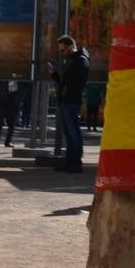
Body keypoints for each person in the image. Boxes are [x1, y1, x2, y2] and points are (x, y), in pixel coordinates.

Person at [49, 35, 90, 172]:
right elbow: (65, 82)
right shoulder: (72, 60)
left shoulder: (80, 61)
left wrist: (66, 89)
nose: (62, 54)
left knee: (73, 132)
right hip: (66, 100)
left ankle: (75, 162)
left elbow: (75, 83)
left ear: (71, 46)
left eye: (63, 50)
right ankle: (69, 161)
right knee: (69, 133)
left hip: (71, 100)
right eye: (60, 51)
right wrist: (54, 74)